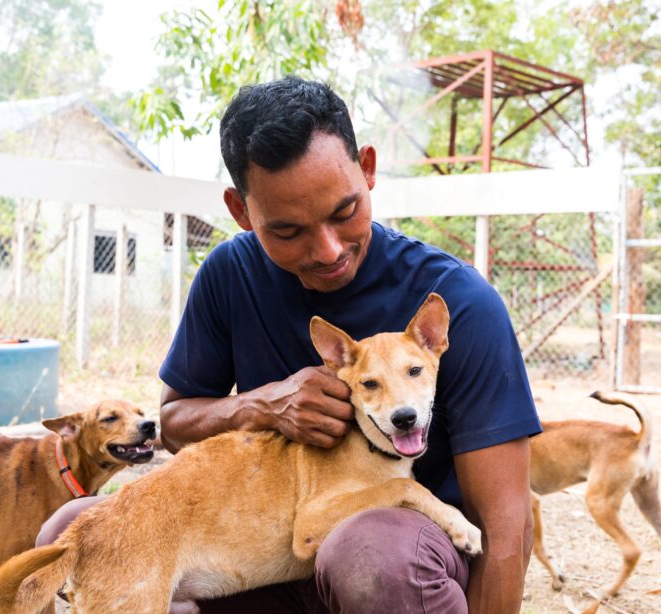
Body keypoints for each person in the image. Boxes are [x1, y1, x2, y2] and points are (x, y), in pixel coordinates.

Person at [39, 76, 541, 613]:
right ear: (241, 211)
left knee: (367, 554)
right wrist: (261, 405)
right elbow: (176, 423)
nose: (327, 250)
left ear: (367, 170)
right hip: (272, 547)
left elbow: (507, 523)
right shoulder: (229, 274)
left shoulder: (460, 301)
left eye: (344, 212)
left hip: (395, 560)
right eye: (287, 231)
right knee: (72, 533)